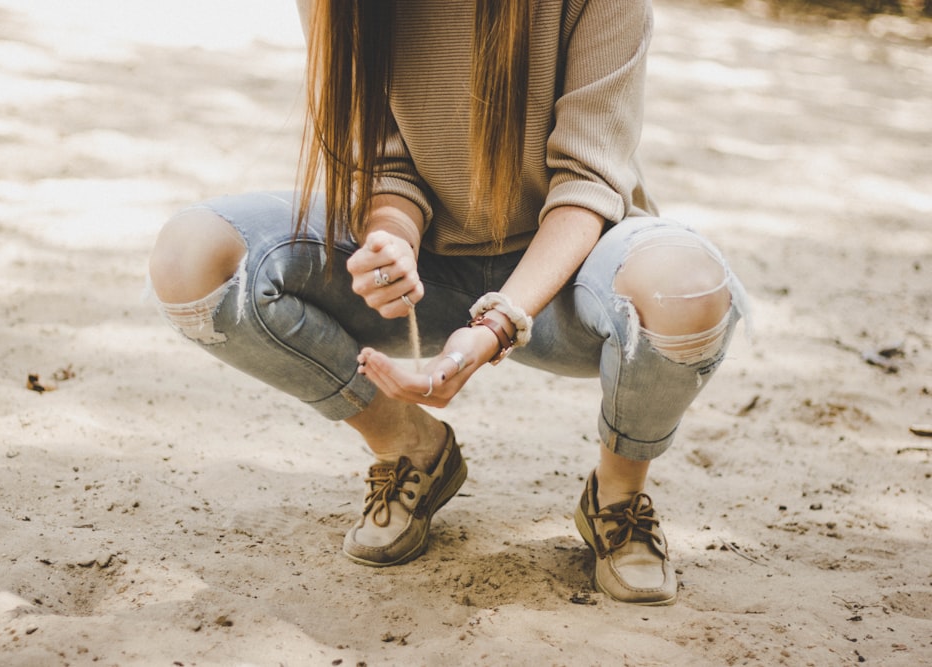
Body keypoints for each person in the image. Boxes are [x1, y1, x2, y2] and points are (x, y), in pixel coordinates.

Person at [148, 0, 748, 606]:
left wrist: (498, 321)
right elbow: (382, 162)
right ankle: (410, 449)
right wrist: (392, 243)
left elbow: (586, 182)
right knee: (194, 257)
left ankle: (616, 498)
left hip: (569, 273)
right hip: (432, 273)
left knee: (687, 286)